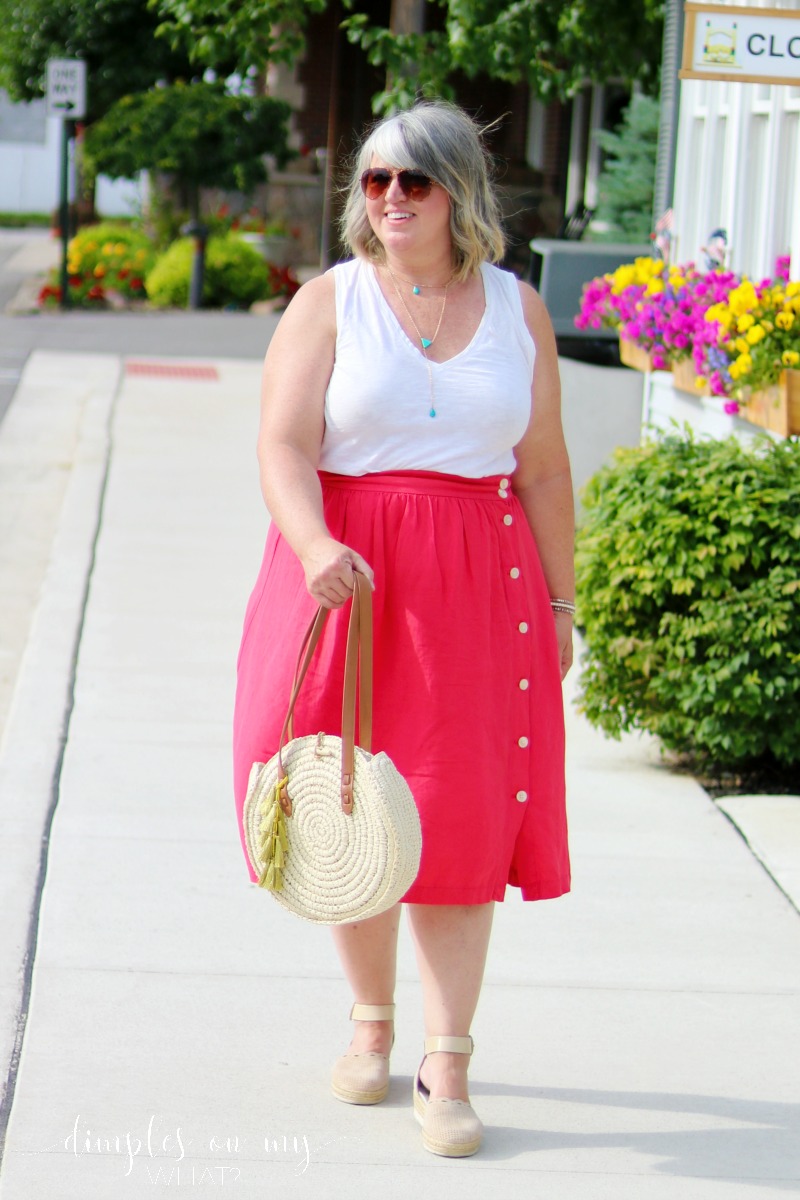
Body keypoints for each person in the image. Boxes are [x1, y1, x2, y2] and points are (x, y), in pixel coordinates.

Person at [233, 99, 573, 1159]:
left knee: (459, 819)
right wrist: (311, 545)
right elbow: (283, 445)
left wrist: (563, 605)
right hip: (348, 577)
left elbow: (546, 469)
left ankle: (447, 1058)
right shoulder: (329, 303)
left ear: (455, 194)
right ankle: (369, 1024)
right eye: (373, 181)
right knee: (347, 802)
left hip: (479, 587)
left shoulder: (518, 310)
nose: (386, 200)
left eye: (410, 183)